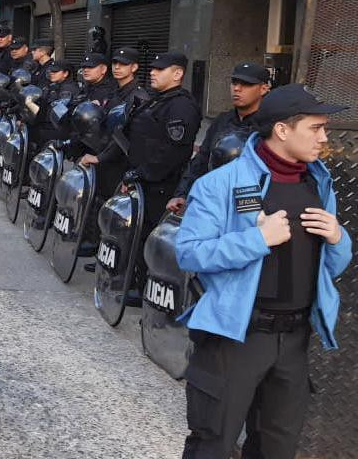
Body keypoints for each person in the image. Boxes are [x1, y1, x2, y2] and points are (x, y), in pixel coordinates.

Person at [175, 83, 352, 459]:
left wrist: (339, 239)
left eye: (325, 129)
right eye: (316, 128)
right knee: (213, 444)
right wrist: (256, 240)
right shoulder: (221, 184)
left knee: (278, 447)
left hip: (295, 340)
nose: (324, 138)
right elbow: (189, 253)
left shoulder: (319, 183)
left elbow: (331, 266)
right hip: (235, 337)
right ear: (283, 130)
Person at [81, 52, 202, 287]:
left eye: (160, 70)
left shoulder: (181, 106)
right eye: (153, 69)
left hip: (161, 184)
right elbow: (127, 135)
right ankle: (129, 278)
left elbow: (172, 152)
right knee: (133, 229)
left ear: (177, 74)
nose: (153, 73)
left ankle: (141, 285)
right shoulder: (156, 99)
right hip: (141, 178)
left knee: (148, 233)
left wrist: (142, 173)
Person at [168, 62, 271, 214]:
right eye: (234, 83)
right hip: (212, 203)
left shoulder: (271, 127)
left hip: (249, 208)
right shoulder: (222, 121)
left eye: (246, 84)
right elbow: (201, 160)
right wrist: (182, 194)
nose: (237, 88)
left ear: (263, 88)